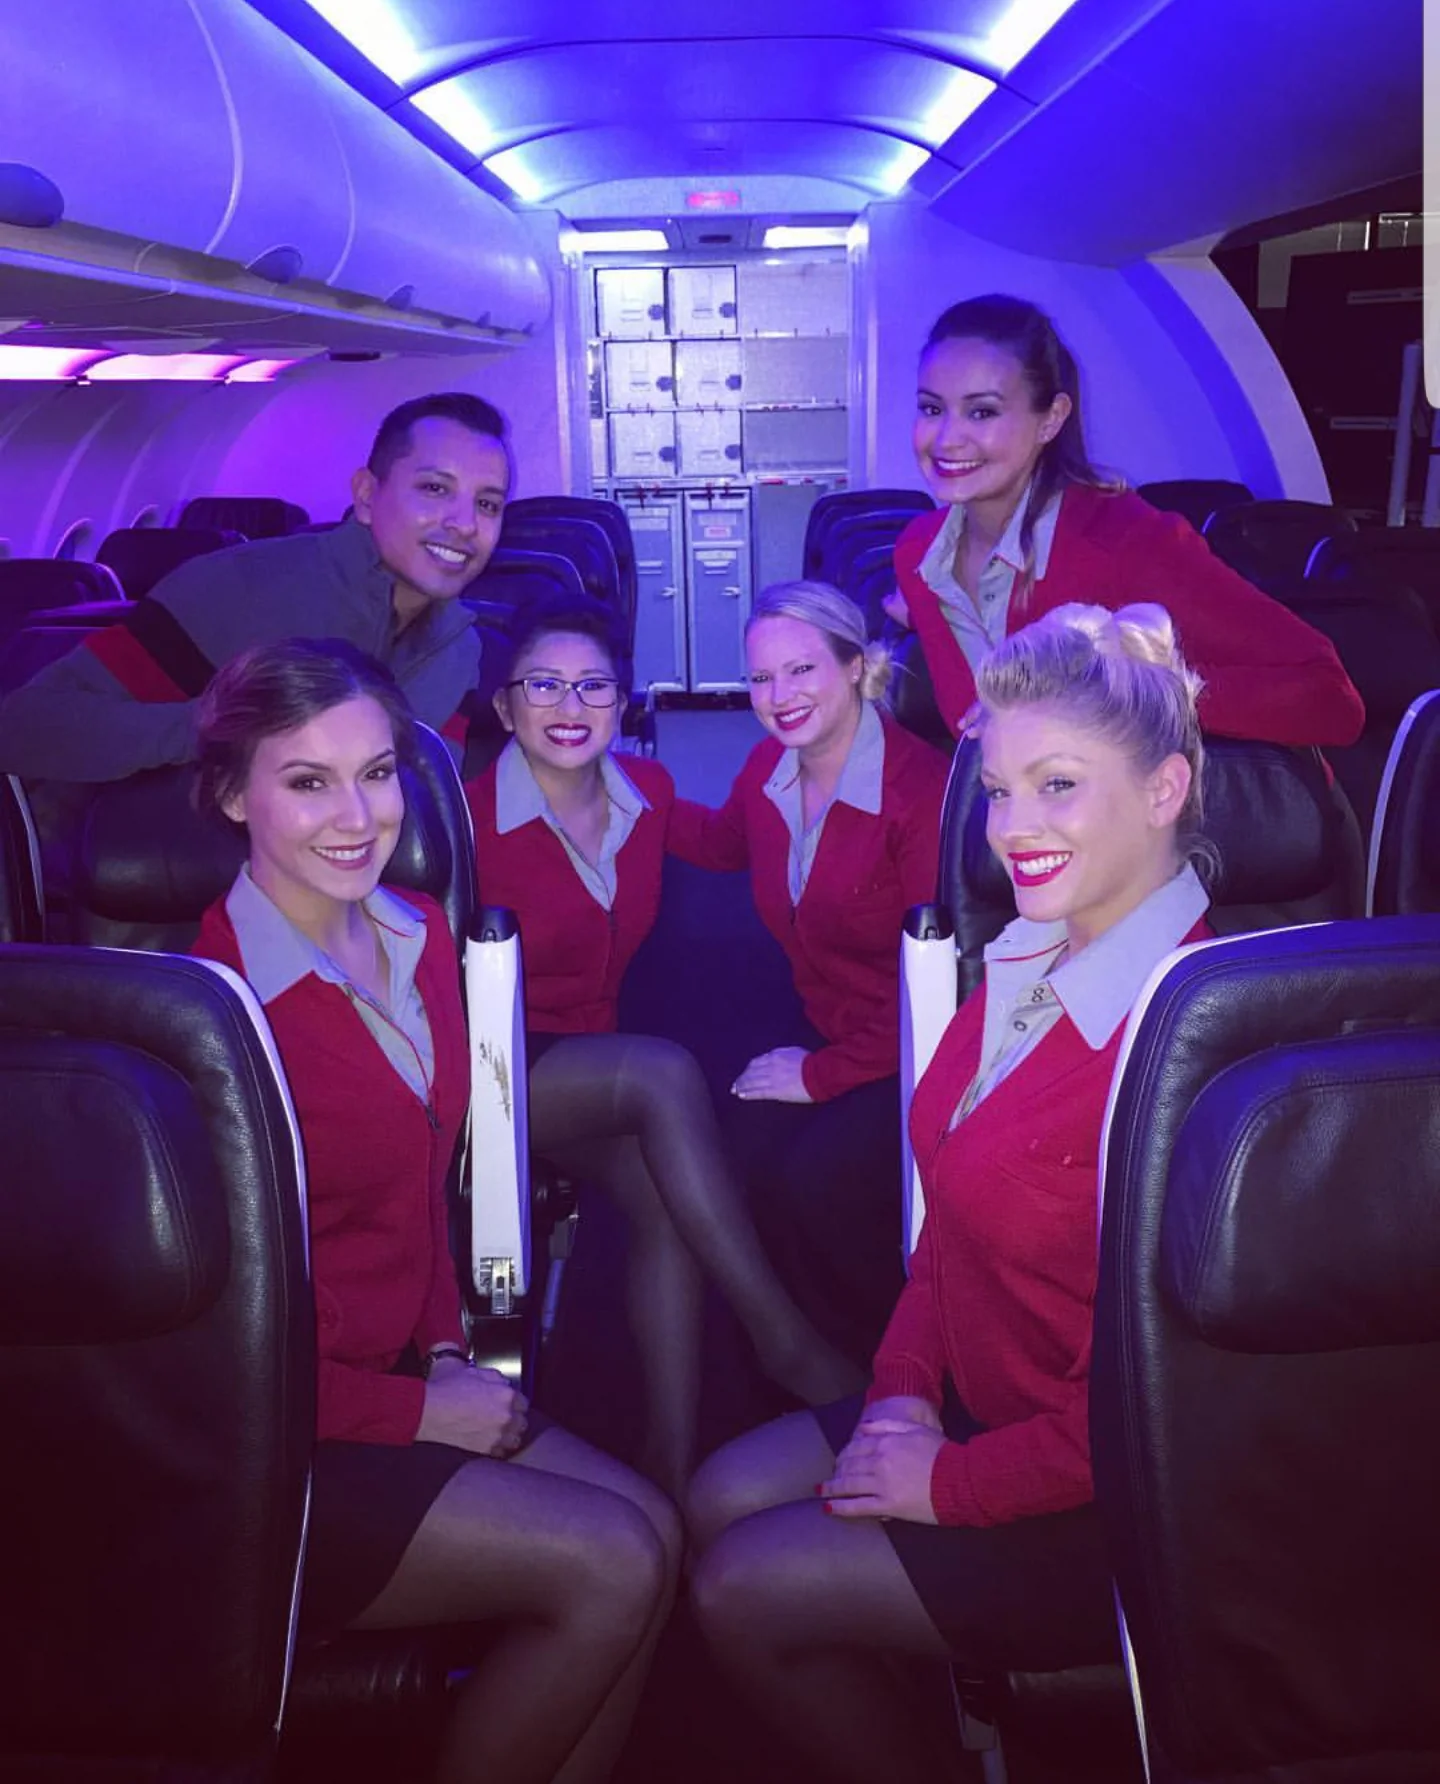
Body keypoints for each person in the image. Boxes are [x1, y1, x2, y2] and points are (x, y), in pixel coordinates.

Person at [685, 601, 1215, 1782]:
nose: (1012, 828)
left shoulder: (1187, 1041)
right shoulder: (1025, 958)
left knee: (738, 1586)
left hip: (1112, 1495)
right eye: (1001, 790)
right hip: (982, 1400)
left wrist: (948, 1480)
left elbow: (1163, 1402)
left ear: (1165, 789)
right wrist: (900, 1394)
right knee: (716, 1496)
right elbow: (951, 1234)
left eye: (1058, 786)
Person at [190, 638, 677, 1784]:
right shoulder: (211, 1014)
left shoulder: (414, 932)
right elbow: (209, 1360)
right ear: (232, 795)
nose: (357, 815)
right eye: (307, 781)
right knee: (613, 1559)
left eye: (376, 773)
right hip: (273, 1438)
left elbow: (421, 1194)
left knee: (657, 1528)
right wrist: (416, 1409)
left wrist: (453, 1350)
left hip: (407, 1372)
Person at [465, 598, 860, 1496]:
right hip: (487, 1069)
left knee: (666, 1200)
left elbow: (731, 844)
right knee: (662, 1071)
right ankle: (784, 1341)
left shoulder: (648, 794)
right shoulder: (465, 820)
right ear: (506, 707)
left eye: (594, 686)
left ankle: (670, 1467)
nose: (571, 706)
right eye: (544, 685)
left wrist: (811, 761)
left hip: (586, 1073)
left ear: (623, 701)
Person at [666, 582, 950, 1368]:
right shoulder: (771, 766)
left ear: (856, 666)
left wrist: (821, 1076)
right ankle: (793, 1359)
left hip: (910, 1050)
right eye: (761, 678)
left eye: (801, 671)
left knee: (816, 1186)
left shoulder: (918, 793)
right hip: (825, 1020)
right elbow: (723, 842)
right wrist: (614, 787)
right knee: (727, 1149)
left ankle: (883, 1368)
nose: (779, 696)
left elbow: (938, 987)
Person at [887, 293, 1365, 747]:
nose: (946, 439)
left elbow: (1330, 696)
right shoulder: (920, 558)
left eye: (982, 412)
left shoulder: (1128, 542)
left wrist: (1111, 695)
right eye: (932, 408)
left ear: (1051, 419)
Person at [0, 390, 509, 784]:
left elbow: (434, 802)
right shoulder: (237, 589)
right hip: (195, 883)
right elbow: (27, 724)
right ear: (366, 495)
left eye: (487, 504)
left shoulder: (459, 649)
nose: (465, 524)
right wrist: (222, 730)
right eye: (435, 488)